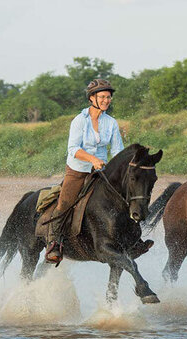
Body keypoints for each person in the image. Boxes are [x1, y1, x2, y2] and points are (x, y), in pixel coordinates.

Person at [45, 79, 124, 264]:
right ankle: (54, 244)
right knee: (64, 203)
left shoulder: (111, 123)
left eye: (109, 97)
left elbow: (118, 150)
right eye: (102, 97)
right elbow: (73, 149)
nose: (106, 100)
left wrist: (120, 168)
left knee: (125, 197)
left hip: (102, 172)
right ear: (92, 98)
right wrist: (93, 159)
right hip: (78, 170)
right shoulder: (79, 120)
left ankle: (131, 239)